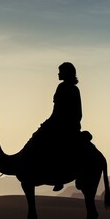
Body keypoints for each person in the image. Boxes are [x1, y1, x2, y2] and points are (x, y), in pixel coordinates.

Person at [27, 62, 83, 191]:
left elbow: (60, 111)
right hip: (65, 124)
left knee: (48, 143)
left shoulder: (65, 88)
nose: (58, 74)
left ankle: (57, 177)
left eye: (60, 71)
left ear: (66, 73)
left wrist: (51, 123)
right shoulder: (70, 88)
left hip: (64, 126)